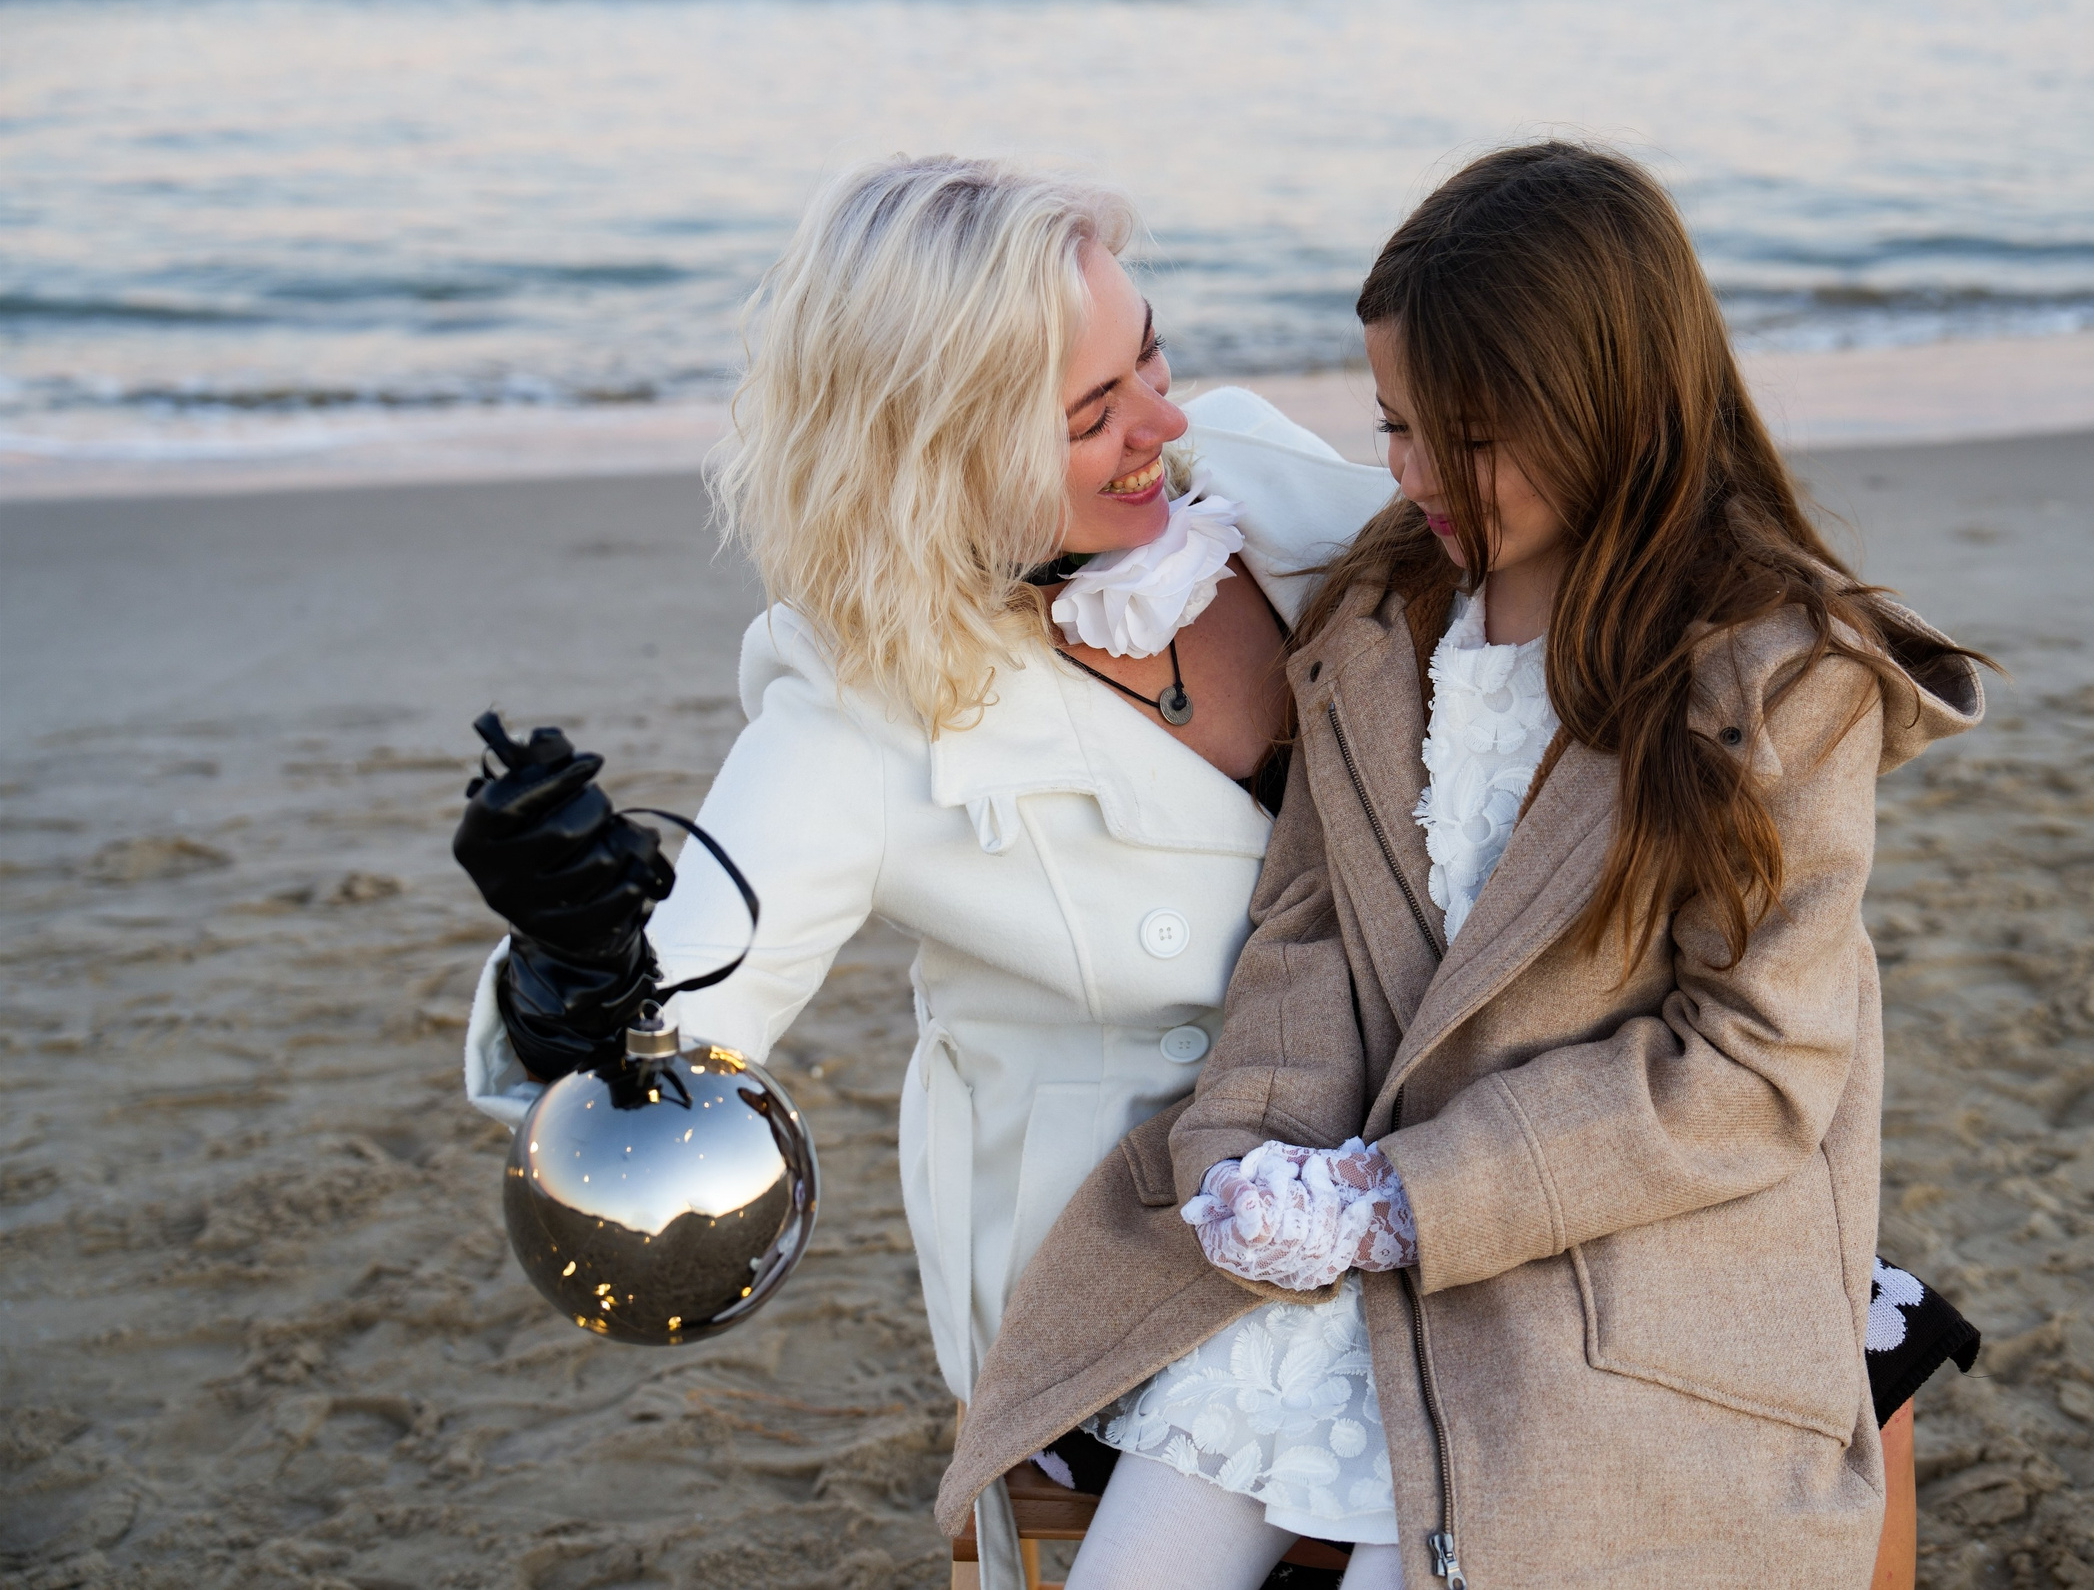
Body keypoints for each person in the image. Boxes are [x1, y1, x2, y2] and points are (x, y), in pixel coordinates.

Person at [938, 142, 1988, 1589]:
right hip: (1354, 1243)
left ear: (1609, 406)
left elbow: (1754, 1071)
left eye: (1466, 435)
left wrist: (1411, 1195)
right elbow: (1308, 926)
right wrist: (1249, 1143)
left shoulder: (1781, 679)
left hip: (1616, 1254)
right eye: (1393, 425)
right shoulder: (1388, 614)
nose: (1416, 472)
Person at [447, 155, 1396, 1590]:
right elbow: (674, 1035)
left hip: (1408, 1160)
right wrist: (569, 962)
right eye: (1094, 413)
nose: (1167, 423)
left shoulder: (1264, 489)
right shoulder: (862, 706)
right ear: (945, 442)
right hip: (1135, 1274)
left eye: (1152, 356)